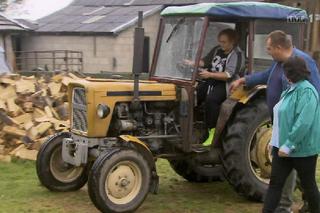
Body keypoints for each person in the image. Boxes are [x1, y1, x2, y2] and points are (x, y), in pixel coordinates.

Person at [230, 30, 320, 213]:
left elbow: (311, 104)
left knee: (306, 180)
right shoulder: (280, 64)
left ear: (279, 48)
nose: (268, 51)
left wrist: (290, 142)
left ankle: (299, 206)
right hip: (283, 133)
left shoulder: (302, 64)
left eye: (269, 48)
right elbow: (267, 76)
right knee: (281, 180)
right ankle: (285, 206)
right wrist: (245, 80)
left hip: (299, 137)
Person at [262, 56, 320, 213]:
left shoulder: (307, 91)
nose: (282, 74)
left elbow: (304, 122)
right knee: (275, 184)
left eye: (284, 71)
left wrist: (288, 144)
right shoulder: (290, 90)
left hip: (302, 150)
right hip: (282, 148)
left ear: (291, 73)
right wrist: (274, 143)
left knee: (308, 186)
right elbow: (282, 121)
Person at [185, 28, 244, 146]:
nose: (221, 44)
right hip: (210, 80)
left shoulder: (237, 54)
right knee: (192, 95)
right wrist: (192, 63)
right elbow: (205, 62)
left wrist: (209, 74)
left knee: (211, 100)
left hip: (227, 84)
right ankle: (193, 126)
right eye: (220, 41)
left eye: (224, 42)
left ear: (232, 41)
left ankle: (212, 133)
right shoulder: (217, 50)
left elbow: (228, 75)